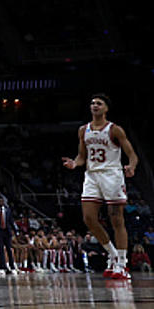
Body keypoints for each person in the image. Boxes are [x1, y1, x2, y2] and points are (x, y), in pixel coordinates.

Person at [62, 93, 138, 280]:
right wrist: (74, 163)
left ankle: (121, 264)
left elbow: (132, 153)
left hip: (112, 174)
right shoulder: (83, 130)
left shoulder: (115, 130)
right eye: (92, 103)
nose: (94, 105)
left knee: (116, 220)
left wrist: (132, 166)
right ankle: (111, 254)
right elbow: (82, 156)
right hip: (92, 175)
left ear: (106, 108)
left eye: (99, 103)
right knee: (88, 219)